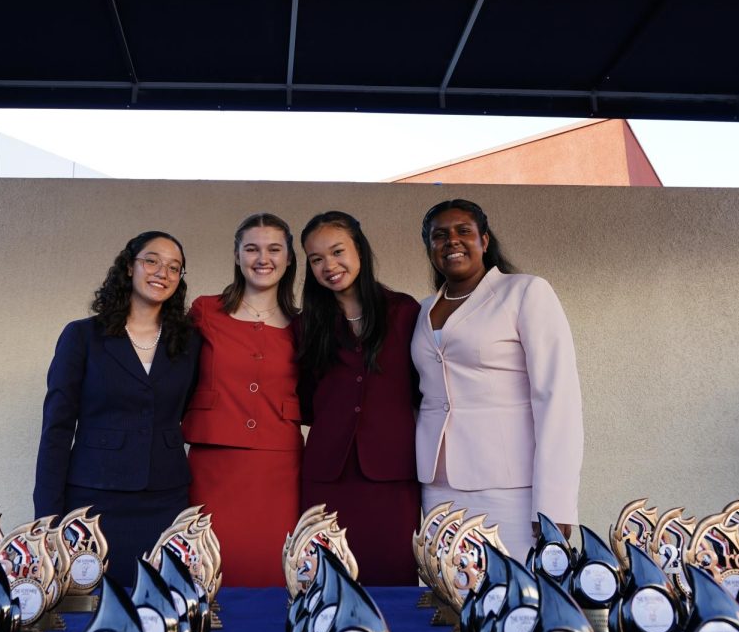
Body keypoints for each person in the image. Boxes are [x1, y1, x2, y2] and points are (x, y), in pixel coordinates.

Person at [411, 198, 583, 560]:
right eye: (439, 236)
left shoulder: (525, 292)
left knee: (515, 600)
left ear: (484, 241)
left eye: (463, 231)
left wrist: (555, 501)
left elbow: (556, 397)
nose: (452, 241)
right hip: (437, 486)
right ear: (430, 249)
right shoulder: (424, 309)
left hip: (510, 487)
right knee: (452, 597)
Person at [34, 230, 200, 587]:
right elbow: (57, 429)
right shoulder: (82, 336)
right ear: (129, 267)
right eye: (152, 261)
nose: (162, 273)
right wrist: (47, 516)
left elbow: (180, 409)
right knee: (91, 605)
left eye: (175, 268)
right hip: (94, 499)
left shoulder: (188, 343)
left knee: (158, 601)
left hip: (165, 498)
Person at [297, 211, 421, 585]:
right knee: (327, 580)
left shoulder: (404, 312)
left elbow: (421, 388)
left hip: (392, 476)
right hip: (326, 475)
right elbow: (305, 397)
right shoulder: (306, 325)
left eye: (337, 252)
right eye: (316, 259)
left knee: (392, 575)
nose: (329, 266)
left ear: (360, 251)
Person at [182, 214, 302, 587]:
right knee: (208, 565)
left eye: (273, 249)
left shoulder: (305, 323)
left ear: (288, 258)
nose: (262, 258)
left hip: (278, 466)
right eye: (251, 248)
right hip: (214, 461)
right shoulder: (205, 310)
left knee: (271, 566)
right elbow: (175, 373)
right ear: (237, 256)